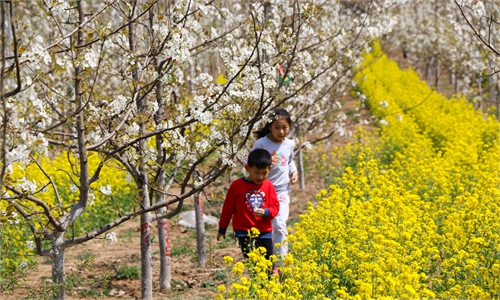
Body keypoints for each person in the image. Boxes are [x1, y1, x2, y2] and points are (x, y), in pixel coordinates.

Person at [251, 108, 298, 259]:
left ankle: (281, 263)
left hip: (281, 191)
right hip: (262, 191)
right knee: (263, 228)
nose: (281, 132)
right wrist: (267, 161)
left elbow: (290, 160)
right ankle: (265, 259)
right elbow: (249, 163)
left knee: (279, 225)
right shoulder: (262, 144)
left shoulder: (290, 144)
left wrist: (294, 171)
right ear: (269, 127)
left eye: (285, 128)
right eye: (276, 127)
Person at [217, 149, 280, 261]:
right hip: (244, 232)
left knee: (268, 265)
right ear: (247, 168)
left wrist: (266, 212)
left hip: (264, 232)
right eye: (256, 172)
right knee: (253, 264)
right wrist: (222, 228)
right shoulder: (237, 186)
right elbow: (228, 208)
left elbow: (275, 207)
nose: (260, 177)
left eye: (264, 173)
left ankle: (269, 279)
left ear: (269, 169)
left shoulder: (269, 186)